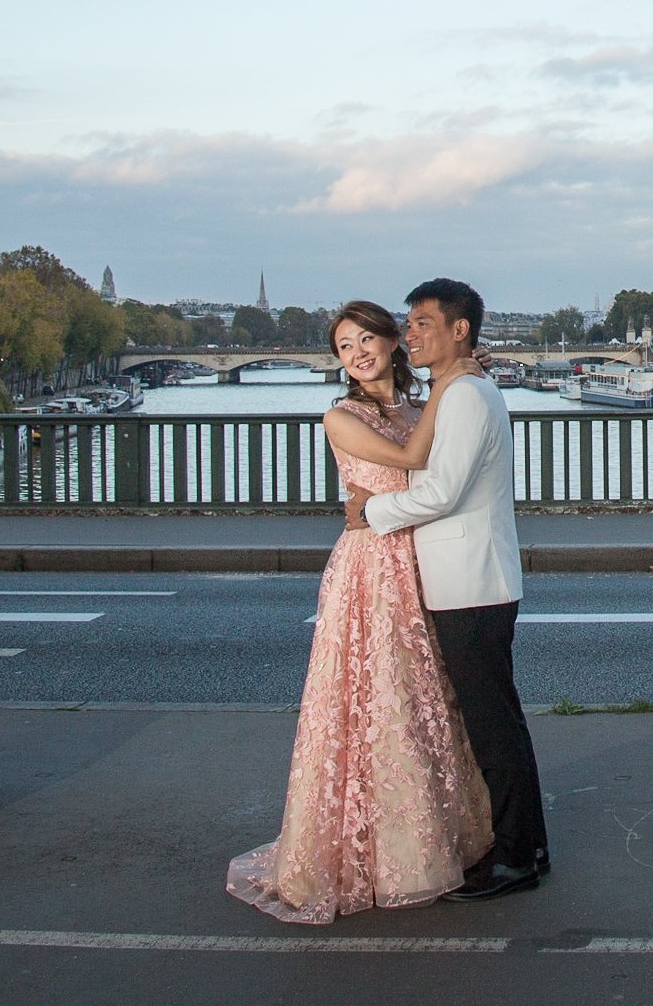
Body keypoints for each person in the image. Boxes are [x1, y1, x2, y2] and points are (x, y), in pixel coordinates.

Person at [226, 300, 495, 920]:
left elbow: (441, 468)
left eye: (366, 338)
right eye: (345, 346)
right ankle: (378, 853)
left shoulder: (412, 406)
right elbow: (409, 463)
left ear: (393, 341)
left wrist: (447, 390)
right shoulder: (340, 415)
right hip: (372, 566)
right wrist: (452, 383)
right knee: (378, 701)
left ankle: (426, 838)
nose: (357, 353)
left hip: (420, 558)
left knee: (424, 699)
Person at [345, 277, 550, 901]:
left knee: (491, 726)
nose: (410, 333)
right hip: (475, 577)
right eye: (407, 323)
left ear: (459, 329)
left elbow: (441, 493)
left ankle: (515, 857)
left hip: (470, 583)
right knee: (500, 721)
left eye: (422, 322)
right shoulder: (461, 389)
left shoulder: (463, 397)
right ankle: (527, 845)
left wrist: (368, 513)